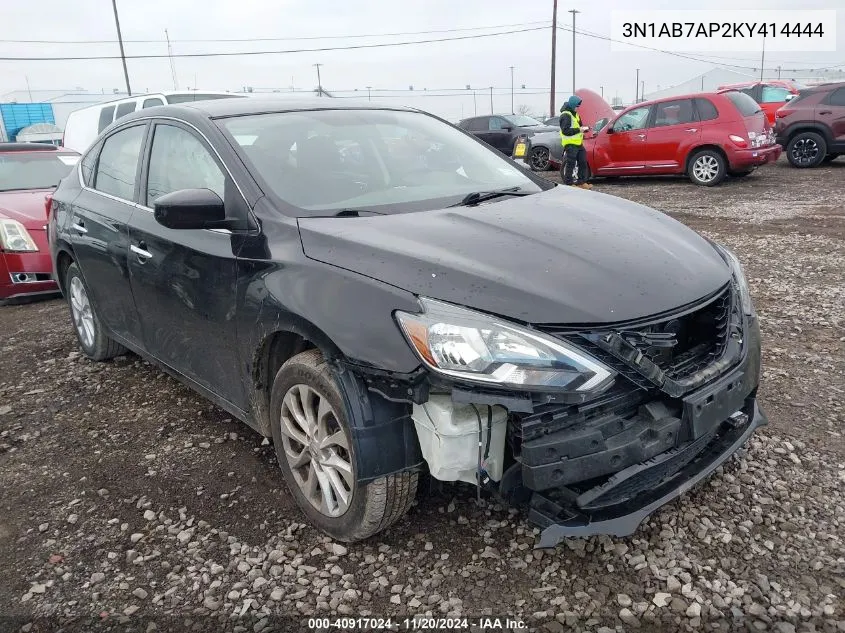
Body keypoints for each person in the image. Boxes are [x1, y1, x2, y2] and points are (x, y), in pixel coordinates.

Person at [559, 95, 593, 189]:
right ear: (572, 104)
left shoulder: (575, 114)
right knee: (571, 163)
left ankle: (581, 182)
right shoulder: (565, 115)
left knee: (583, 161)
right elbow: (565, 131)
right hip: (570, 144)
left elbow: (579, 127)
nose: (578, 108)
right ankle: (569, 184)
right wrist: (579, 130)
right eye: (577, 106)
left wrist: (586, 129)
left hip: (578, 143)